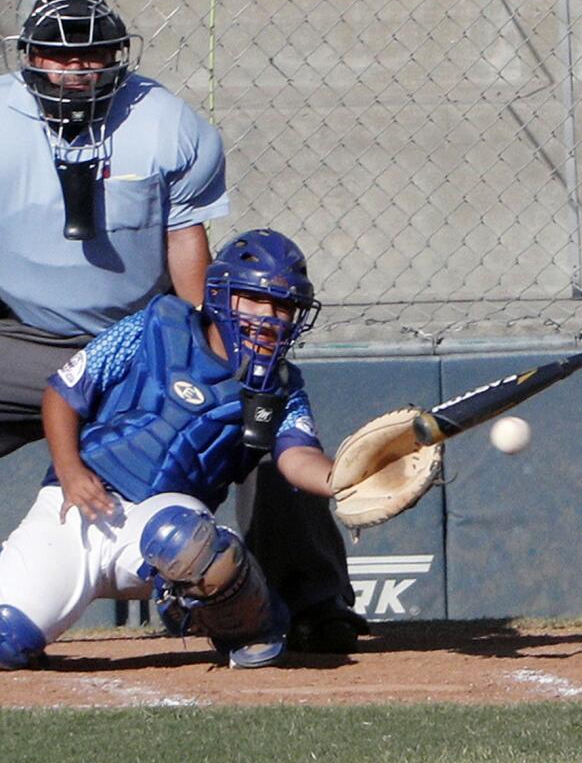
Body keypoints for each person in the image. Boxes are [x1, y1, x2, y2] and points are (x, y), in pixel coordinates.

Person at [0, 0, 366, 651]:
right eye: (58, 55)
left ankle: (313, 601)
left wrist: (216, 341)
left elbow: (184, 243)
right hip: (27, 333)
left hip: (142, 326)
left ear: (119, 57)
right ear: (30, 58)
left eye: (93, 54)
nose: (75, 68)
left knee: (252, 407)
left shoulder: (168, 123)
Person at [0, 228, 338, 671]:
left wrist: (344, 478)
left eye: (284, 307)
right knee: (8, 642)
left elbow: (298, 458)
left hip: (161, 524)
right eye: (255, 300)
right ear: (220, 295)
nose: (270, 318)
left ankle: (255, 625)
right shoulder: (155, 326)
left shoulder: (280, 389)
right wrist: (69, 469)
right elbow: (63, 391)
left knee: (188, 542)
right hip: (77, 507)